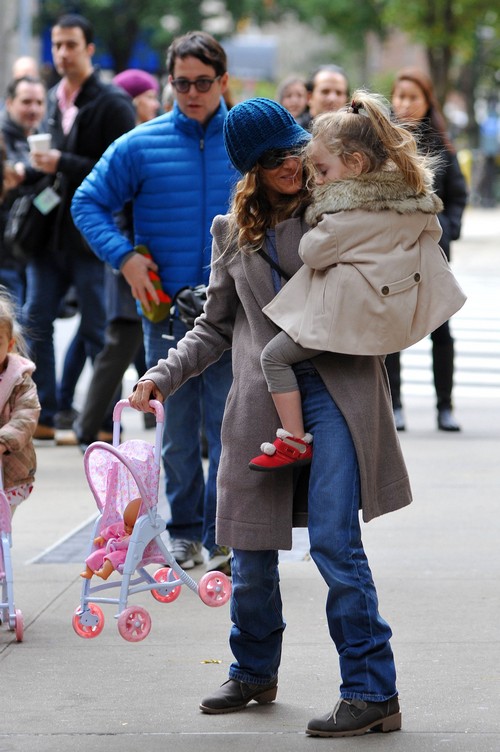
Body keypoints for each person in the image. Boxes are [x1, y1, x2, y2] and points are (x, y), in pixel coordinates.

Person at [128, 97, 411, 737]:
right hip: (260, 399)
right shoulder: (232, 232)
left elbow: (404, 237)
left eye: (295, 150)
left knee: (336, 543)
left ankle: (372, 690)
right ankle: (253, 670)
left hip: (337, 390)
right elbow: (213, 328)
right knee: (249, 548)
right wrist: (159, 377)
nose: (291, 163)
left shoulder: (338, 206)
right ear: (251, 168)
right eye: (274, 157)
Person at [71, 31, 238, 573]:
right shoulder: (140, 144)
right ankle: (187, 533)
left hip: (236, 313)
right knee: (178, 435)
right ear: (170, 82)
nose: (192, 92)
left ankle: (226, 537)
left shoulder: (247, 143)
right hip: (166, 315)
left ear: (223, 80)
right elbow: (87, 201)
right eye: (182, 82)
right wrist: (124, 257)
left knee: (231, 432)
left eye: (203, 82)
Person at [248, 91, 466, 471]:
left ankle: (295, 440)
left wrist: (318, 219)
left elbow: (312, 253)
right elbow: (431, 232)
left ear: (355, 163)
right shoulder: (410, 202)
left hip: (346, 317)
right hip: (390, 312)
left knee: (274, 357)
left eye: (322, 170)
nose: (314, 179)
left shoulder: (343, 217)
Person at [22, 13, 136, 442]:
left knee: (95, 328)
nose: (62, 53)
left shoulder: (111, 102)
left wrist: (61, 163)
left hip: (91, 237)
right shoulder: (54, 99)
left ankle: (106, 422)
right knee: (35, 321)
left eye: (71, 44)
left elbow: (119, 173)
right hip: (47, 234)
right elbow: (50, 169)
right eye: (56, 45)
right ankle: (46, 411)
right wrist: (29, 171)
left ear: (89, 48)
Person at [73, 68, 162, 449]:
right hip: (135, 266)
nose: (154, 102)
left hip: (148, 267)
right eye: (147, 96)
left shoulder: (152, 140)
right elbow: (101, 206)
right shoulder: (131, 147)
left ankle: (141, 421)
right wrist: (126, 255)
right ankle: (89, 424)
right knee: (120, 344)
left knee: (147, 349)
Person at [386, 67, 468, 432]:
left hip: (433, 254)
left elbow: (458, 196)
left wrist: (447, 231)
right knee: (391, 332)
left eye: (412, 97)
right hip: (391, 255)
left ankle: (445, 407)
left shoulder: (442, 147)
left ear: (426, 102)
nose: (404, 103)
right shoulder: (380, 144)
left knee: (442, 331)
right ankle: (395, 405)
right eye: (399, 96)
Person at [1, 76, 47, 308]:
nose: (34, 109)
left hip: (30, 250)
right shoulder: (3, 136)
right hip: (6, 254)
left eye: (39, 102)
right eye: (27, 102)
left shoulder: (43, 135)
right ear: (10, 103)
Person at [0, 289, 40, 515]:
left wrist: (4, 440)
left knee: (2, 522)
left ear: (9, 344)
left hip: (9, 467)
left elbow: (27, 413)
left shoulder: (19, 379)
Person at [80, 497, 141, 580]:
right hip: (111, 548)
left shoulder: (139, 533)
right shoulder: (121, 527)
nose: (128, 529)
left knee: (111, 559)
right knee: (96, 554)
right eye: (126, 524)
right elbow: (112, 529)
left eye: (132, 526)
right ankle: (88, 572)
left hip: (126, 553)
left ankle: (104, 573)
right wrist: (103, 537)